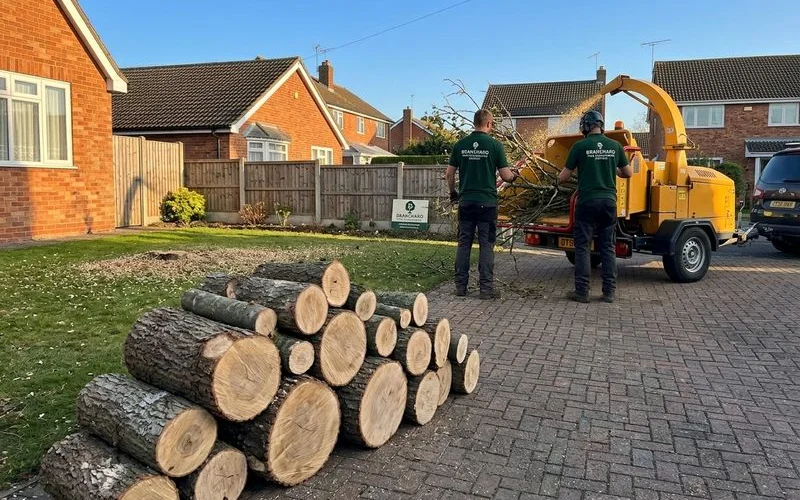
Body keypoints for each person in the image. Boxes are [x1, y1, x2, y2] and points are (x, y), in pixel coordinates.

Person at [558, 110, 633, 303]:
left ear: (587, 125)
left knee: (582, 247)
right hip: (609, 202)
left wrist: (563, 177)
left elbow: (563, 177)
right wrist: (610, 167)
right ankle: (609, 292)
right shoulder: (615, 146)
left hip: (587, 202)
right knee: (608, 247)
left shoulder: (579, 146)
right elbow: (628, 172)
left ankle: (582, 292)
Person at [446, 109, 518, 299]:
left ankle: (460, 287)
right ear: (488, 124)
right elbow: (505, 175)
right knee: (486, 245)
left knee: (464, 244)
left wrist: (454, 193)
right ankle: (486, 289)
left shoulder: (460, 145)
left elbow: (449, 173)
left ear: (474, 123)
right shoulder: (495, 146)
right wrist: (514, 176)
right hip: (487, 204)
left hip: (467, 203)